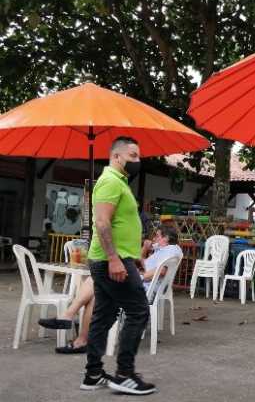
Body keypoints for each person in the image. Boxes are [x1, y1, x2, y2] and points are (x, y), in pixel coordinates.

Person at [83, 136, 154, 394]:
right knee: (138, 311)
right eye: (133, 156)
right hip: (109, 260)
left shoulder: (118, 182)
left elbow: (120, 226)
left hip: (116, 258)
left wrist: (132, 254)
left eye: (138, 156)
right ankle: (124, 374)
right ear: (116, 156)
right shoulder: (110, 182)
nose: (138, 161)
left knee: (104, 316)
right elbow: (102, 223)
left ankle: (93, 374)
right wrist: (114, 258)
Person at [38, 226, 182, 354]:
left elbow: (161, 271)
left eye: (157, 235)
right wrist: (145, 248)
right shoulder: (163, 251)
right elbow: (143, 262)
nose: (154, 238)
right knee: (96, 293)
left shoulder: (170, 250)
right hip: (139, 286)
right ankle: (82, 340)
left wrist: (138, 276)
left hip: (140, 290)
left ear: (166, 238)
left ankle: (69, 315)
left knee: (96, 279)